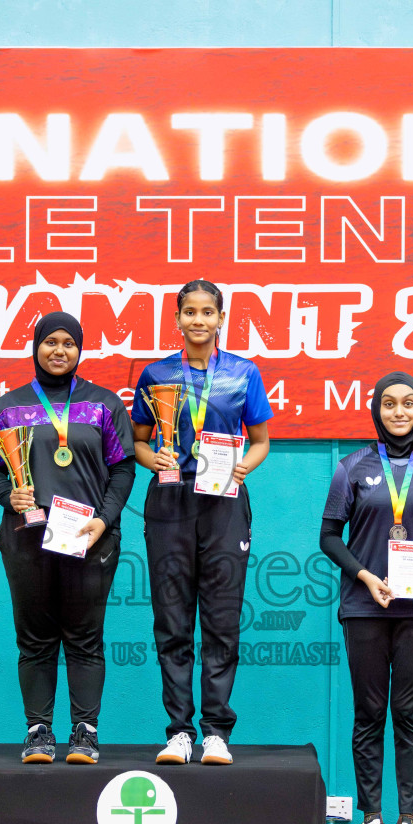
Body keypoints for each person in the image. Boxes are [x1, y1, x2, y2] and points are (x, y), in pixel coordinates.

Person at [0, 312, 135, 764]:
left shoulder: (104, 404)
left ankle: (85, 733)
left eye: (69, 342)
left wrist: (103, 522)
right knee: (35, 639)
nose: (59, 350)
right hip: (27, 539)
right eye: (51, 342)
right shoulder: (9, 406)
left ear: (79, 349)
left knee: (86, 638)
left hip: (90, 539)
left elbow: (123, 469)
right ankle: (38, 732)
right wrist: (12, 498)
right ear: (36, 347)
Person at [131, 279, 272, 766]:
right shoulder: (154, 374)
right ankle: (178, 732)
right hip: (170, 502)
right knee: (171, 622)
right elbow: (139, 443)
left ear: (220, 318)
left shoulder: (243, 373)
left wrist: (244, 465)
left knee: (221, 621)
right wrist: (155, 460)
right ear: (176, 319)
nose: (198, 320)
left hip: (224, 504)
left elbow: (259, 441)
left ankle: (215, 731)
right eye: (189, 312)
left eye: (207, 312)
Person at [321, 373, 413, 824]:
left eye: (407, 403)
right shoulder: (351, 466)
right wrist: (364, 576)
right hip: (364, 607)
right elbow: (329, 537)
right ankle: (371, 820)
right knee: (369, 712)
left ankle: (409, 822)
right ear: (376, 409)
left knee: (409, 713)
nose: (399, 412)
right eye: (389, 404)